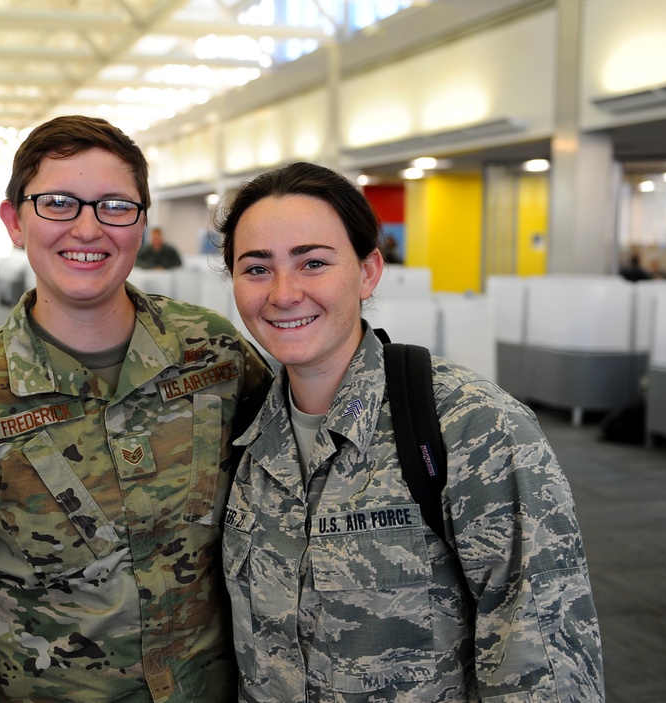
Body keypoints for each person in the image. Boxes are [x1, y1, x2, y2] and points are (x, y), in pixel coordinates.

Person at [0, 115, 272, 703]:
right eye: (58, 203)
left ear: (142, 223)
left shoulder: (214, 354)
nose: (88, 229)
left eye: (115, 206)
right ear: (15, 222)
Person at [214, 162, 604, 702]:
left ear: (369, 271)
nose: (283, 293)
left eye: (314, 262)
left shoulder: (469, 424)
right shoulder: (246, 435)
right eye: (256, 268)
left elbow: (544, 662)